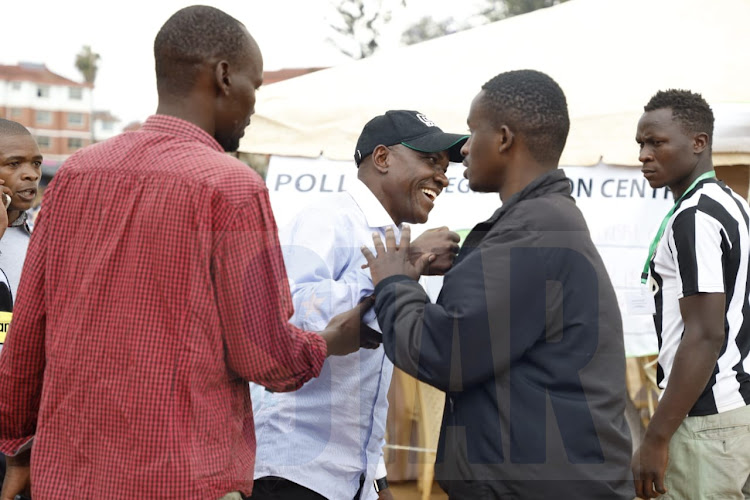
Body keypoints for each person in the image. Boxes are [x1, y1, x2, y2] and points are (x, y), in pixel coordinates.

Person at [0, 6, 377, 500]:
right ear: (223, 77)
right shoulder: (232, 188)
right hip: (183, 477)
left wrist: (20, 444)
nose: (252, 106)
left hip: (70, 474)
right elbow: (266, 356)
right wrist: (329, 340)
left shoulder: (75, 175)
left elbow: (27, 334)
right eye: (254, 86)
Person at [361, 69, 635, 499]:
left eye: (473, 131)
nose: (465, 148)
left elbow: (446, 351)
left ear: (504, 139)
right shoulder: (538, 221)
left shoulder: (532, 231)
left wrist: (396, 280)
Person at [250, 110, 468, 500]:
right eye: (430, 160)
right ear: (382, 158)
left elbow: (366, 388)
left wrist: (376, 477)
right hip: (293, 470)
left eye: (446, 166)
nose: (443, 175)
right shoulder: (328, 217)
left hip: (349, 479)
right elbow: (288, 313)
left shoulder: (393, 239)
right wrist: (395, 268)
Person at [631, 89, 750, 499]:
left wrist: (656, 438)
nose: (644, 154)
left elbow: (705, 333)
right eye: (641, 144)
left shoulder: (694, 216)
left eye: (656, 142)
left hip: (704, 419)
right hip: (737, 410)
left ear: (698, 143)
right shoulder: (734, 203)